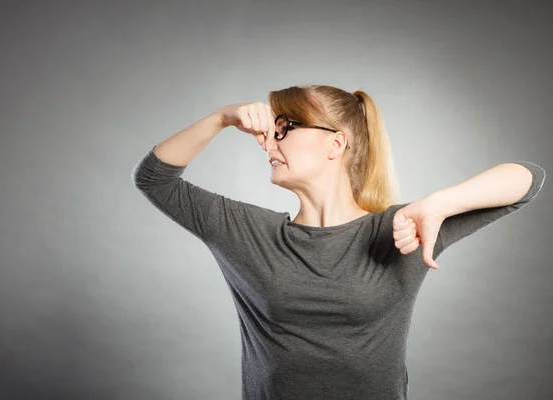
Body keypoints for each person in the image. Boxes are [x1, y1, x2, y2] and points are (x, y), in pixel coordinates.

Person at [131, 84, 546, 399]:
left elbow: (528, 179)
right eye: (271, 132)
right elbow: (154, 178)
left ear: (336, 142)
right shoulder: (248, 232)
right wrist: (223, 117)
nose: (269, 143)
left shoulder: (404, 227)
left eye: (285, 129)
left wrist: (437, 205)